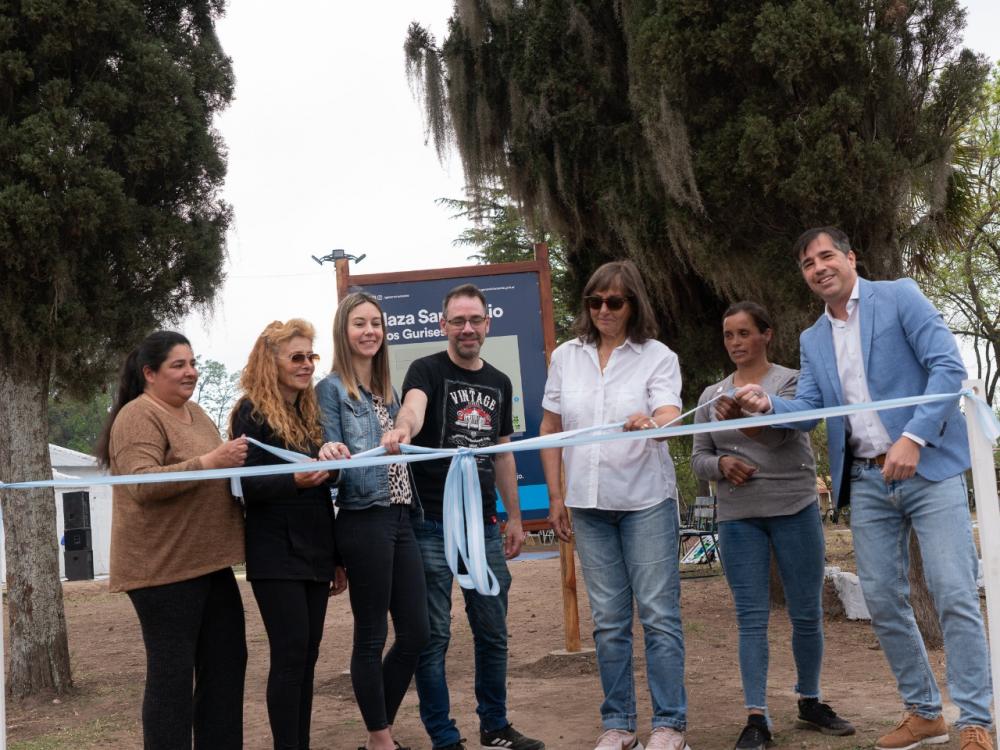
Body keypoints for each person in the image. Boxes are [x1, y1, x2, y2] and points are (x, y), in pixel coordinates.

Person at [733, 227, 993, 750]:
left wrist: (913, 438)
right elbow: (809, 410)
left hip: (930, 469)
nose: (819, 267)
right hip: (867, 483)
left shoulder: (899, 296)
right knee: (881, 600)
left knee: (954, 592)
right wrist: (769, 406)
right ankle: (924, 713)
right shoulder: (812, 338)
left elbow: (947, 368)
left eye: (827, 255)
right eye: (808, 263)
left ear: (851, 257)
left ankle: (975, 721)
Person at [381, 283, 545, 750]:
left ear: (487, 323)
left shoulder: (499, 381)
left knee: (493, 633)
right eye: (458, 321)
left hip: (485, 529)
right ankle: (445, 737)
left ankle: (495, 727)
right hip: (429, 525)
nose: (467, 328)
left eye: (475, 320)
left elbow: (504, 454)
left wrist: (515, 518)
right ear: (443, 325)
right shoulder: (426, 369)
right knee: (433, 639)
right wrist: (401, 429)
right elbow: (413, 407)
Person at [539, 260, 691, 750]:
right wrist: (556, 496)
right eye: (595, 301)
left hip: (645, 498)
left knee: (659, 614)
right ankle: (619, 724)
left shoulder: (658, 355)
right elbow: (550, 428)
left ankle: (669, 725)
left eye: (615, 301)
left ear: (633, 305)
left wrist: (654, 420)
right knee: (608, 620)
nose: (604, 310)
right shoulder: (565, 356)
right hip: (586, 502)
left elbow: (670, 410)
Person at [690, 301, 855, 750]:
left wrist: (747, 423)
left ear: (767, 334)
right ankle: (756, 717)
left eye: (744, 333)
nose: (736, 343)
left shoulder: (790, 381)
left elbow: (792, 428)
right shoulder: (710, 396)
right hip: (739, 518)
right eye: (728, 335)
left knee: (806, 613)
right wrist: (722, 463)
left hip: (794, 508)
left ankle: (810, 699)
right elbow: (698, 458)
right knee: (750, 618)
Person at [97, 331, 248, 749]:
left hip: (209, 564)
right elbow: (140, 483)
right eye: (178, 365)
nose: (192, 372)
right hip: (162, 570)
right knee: (173, 678)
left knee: (226, 666)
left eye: (193, 363)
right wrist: (210, 461)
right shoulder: (137, 416)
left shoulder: (197, 413)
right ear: (149, 373)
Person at [315, 292, 430, 750]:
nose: (370, 332)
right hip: (363, 519)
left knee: (417, 634)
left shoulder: (388, 390)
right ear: (344, 331)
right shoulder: (331, 388)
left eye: (376, 324)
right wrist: (328, 450)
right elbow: (329, 449)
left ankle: (375, 729)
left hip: (402, 517)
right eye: (359, 323)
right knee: (371, 636)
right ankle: (381, 740)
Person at [229, 319, 347, 750]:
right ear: (270, 361)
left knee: (308, 657)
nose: (306, 365)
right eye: (296, 357)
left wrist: (337, 557)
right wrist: (294, 481)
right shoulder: (250, 412)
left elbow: (327, 483)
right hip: (274, 550)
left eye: (311, 356)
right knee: (290, 655)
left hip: (316, 547)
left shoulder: (311, 410)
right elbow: (244, 484)